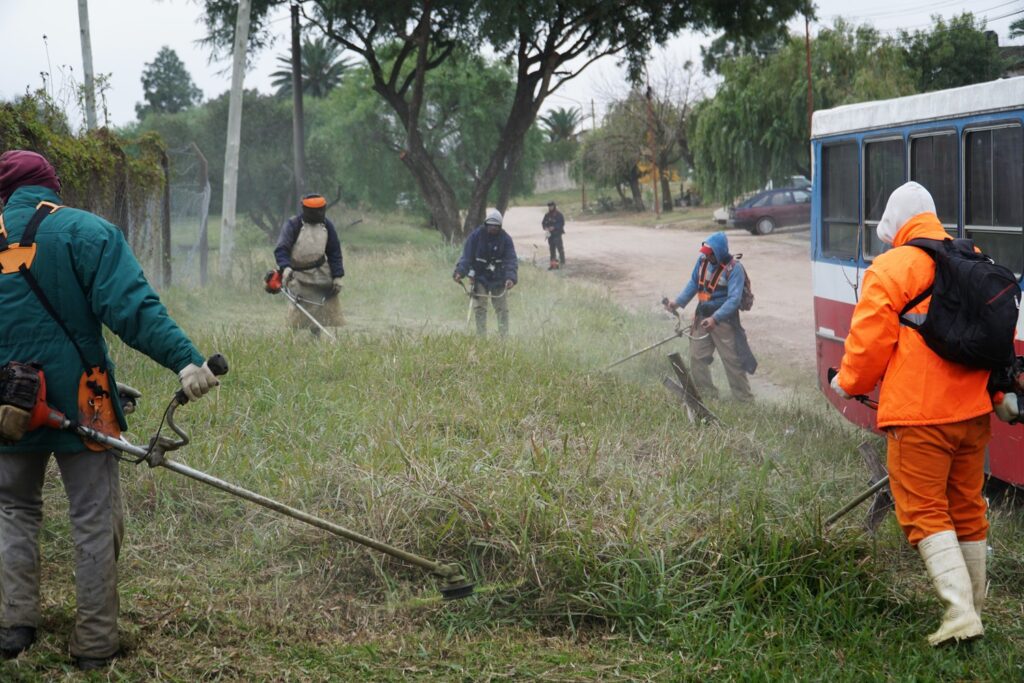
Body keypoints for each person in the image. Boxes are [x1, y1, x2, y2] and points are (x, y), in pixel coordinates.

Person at [0, 150, 219, 670]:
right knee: (94, 519)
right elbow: (132, 308)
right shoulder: (86, 231)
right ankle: (95, 645)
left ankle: (13, 627)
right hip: (84, 400)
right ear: (53, 187)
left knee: (13, 511)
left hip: (6, 405)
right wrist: (185, 362)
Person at [830, 182, 992, 646]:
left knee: (924, 509)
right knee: (965, 506)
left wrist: (848, 381)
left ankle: (960, 615)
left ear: (895, 225)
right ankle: (975, 608)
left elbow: (867, 345)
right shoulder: (972, 256)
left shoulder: (890, 267)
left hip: (921, 418)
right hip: (975, 412)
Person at [665, 231, 756, 401]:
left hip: (724, 321)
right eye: (706, 254)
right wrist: (677, 302)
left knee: (732, 361)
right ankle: (707, 395)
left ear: (719, 251)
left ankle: (744, 400)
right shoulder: (702, 262)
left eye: (710, 254)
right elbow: (693, 283)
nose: (707, 257)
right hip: (702, 317)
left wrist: (716, 318)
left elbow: (734, 300)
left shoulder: (734, 269)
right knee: (697, 356)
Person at [274, 193, 345, 336]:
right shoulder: (293, 225)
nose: (318, 213)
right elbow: (282, 249)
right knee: (298, 307)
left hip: (321, 273)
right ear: (305, 210)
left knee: (321, 306)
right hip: (297, 274)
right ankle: (292, 338)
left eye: (321, 210)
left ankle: (315, 337)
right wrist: (285, 267)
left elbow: (334, 252)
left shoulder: (327, 226)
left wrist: (337, 276)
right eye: (314, 211)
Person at [453, 208, 518, 337]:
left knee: (502, 309)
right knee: (480, 308)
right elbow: (467, 257)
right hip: (480, 277)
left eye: (496, 226)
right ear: (486, 224)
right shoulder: (476, 236)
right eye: (490, 225)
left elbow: (511, 260)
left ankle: (503, 337)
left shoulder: (506, 239)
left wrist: (510, 277)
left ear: (500, 226)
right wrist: (460, 272)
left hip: (499, 278)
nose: (493, 228)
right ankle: (481, 336)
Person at [542, 201, 565, 270]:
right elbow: (543, 223)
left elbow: (562, 223)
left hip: (557, 234)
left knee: (560, 249)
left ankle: (562, 263)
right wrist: (545, 227)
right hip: (550, 235)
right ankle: (553, 265)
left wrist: (554, 227)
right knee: (552, 250)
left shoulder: (559, 215)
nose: (550, 208)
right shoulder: (547, 215)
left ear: (554, 206)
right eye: (549, 206)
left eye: (551, 206)